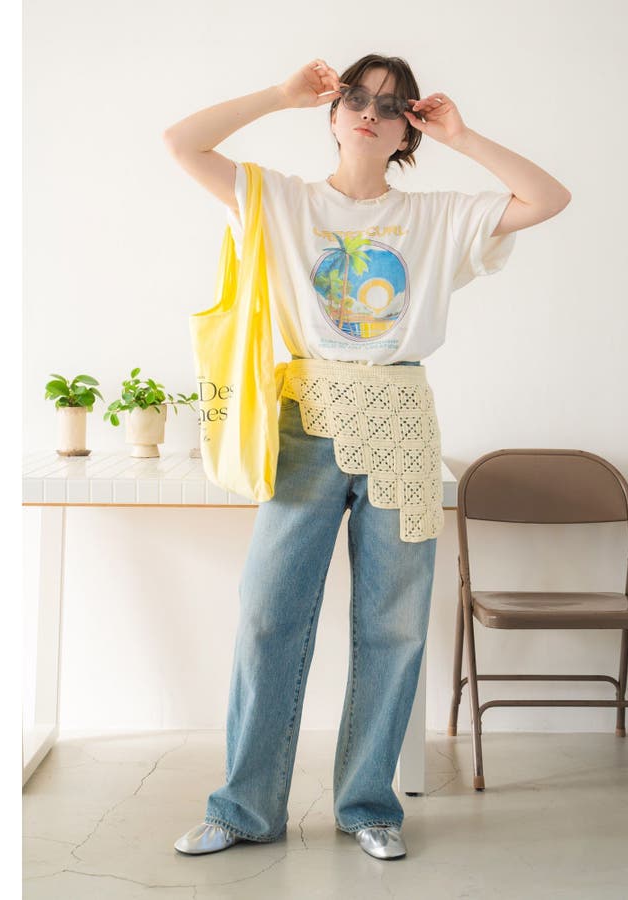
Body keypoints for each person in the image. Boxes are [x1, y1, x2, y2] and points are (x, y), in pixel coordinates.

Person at [163, 54, 571, 861]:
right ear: (333, 112)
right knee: (268, 617)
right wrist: (278, 94)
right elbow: (182, 142)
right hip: (307, 419)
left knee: (394, 625)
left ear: (407, 132)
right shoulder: (280, 200)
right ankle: (244, 808)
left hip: (402, 421)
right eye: (356, 97)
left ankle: (368, 806)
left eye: (391, 107)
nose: (369, 113)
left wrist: (463, 136)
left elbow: (548, 198)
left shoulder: (438, 218)